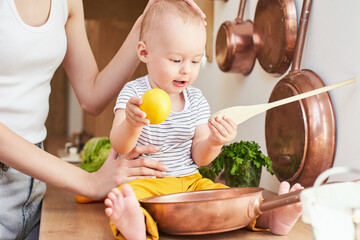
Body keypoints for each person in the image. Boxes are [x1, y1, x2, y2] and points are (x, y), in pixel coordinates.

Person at [0, 0, 204, 239]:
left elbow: (91, 97)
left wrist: (148, 23)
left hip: (34, 176)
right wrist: (89, 182)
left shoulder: (68, 3)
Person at [105, 1, 303, 240]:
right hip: (148, 182)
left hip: (191, 183)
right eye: (176, 60)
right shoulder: (133, 93)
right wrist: (132, 123)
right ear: (144, 52)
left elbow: (200, 157)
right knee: (129, 195)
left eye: (196, 61)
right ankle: (136, 224)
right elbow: (119, 145)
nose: (186, 70)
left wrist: (215, 142)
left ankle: (268, 216)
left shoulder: (196, 100)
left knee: (224, 195)